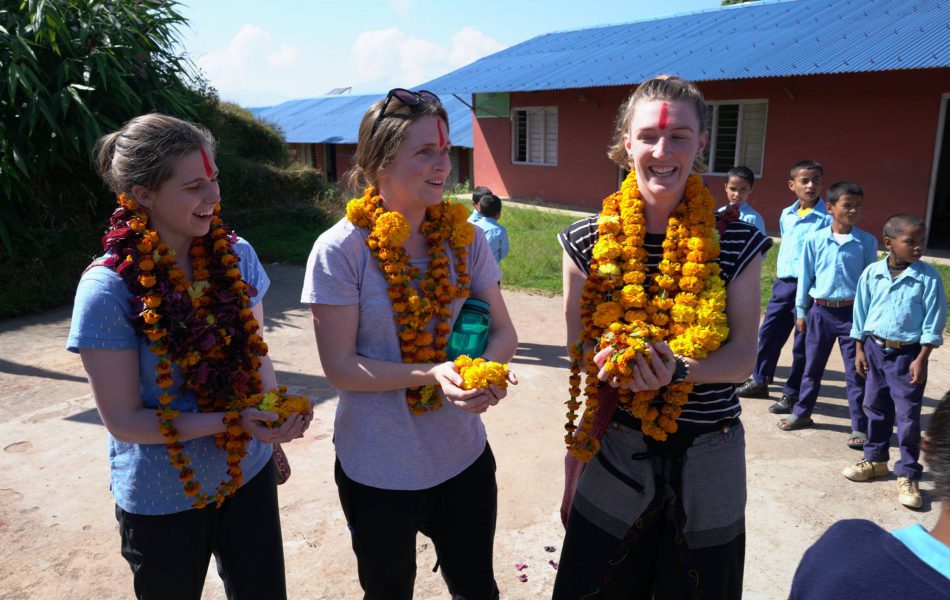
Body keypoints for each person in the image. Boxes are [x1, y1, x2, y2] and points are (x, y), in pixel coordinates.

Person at [66, 114, 312, 599]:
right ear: (144, 194)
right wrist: (235, 419)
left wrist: (274, 410)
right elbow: (125, 422)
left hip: (247, 473)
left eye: (214, 179)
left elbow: (256, 354)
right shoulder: (109, 289)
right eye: (194, 186)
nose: (214, 196)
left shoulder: (236, 256)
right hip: (163, 498)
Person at [554, 75, 771, 599]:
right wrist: (617, 362)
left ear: (701, 143)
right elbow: (580, 348)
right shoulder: (587, 239)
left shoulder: (737, 241)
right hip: (617, 449)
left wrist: (675, 369)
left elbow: (743, 358)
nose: (661, 150)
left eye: (679, 137)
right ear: (627, 142)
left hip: (710, 453)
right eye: (648, 135)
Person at [302, 88, 519, 599]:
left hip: (463, 458)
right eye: (424, 152)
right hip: (377, 469)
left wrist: (485, 374)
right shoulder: (341, 250)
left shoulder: (466, 239)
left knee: (477, 589)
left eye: (444, 150)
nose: (444, 164)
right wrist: (434, 374)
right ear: (379, 163)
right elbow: (340, 368)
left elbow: (503, 332)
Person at [789, 390, 950, 598]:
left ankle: (907, 471)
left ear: (927, 448)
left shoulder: (840, 550)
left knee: (906, 409)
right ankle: (875, 458)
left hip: (905, 365)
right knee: (874, 401)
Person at [843, 213, 947, 509]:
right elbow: (860, 313)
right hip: (874, 350)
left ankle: (908, 472)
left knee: (908, 416)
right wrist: (859, 349)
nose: (918, 247)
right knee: (874, 406)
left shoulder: (928, 278)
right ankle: (876, 460)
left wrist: (922, 358)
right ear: (889, 243)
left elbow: (934, 321)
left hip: (908, 355)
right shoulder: (872, 273)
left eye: (921, 241)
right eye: (910, 241)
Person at [777, 181, 878, 448]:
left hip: (852, 315)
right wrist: (801, 312)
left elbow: (870, 284)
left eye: (858, 206)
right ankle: (802, 412)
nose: (853, 210)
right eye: (847, 205)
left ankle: (859, 425)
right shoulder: (815, 240)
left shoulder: (866, 242)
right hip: (820, 312)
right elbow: (805, 278)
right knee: (811, 367)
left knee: (856, 372)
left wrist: (867, 320)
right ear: (830, 208)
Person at [737, 160, 832, 413]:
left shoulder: (827, 219)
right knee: (769, 333)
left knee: (802, 342)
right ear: (792, 185)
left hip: (809, 287)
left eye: (816, 180)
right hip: (783, 284)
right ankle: (760, 380)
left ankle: (792, 392)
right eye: (804, 181)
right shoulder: (786, 215)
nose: (810, 185)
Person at [717, 165, 766, 235]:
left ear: (751, 189)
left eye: (743, 189)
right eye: (733, 189)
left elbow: (760, 241)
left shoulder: (753, 218)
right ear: (726, 187)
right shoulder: (720, 212)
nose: (737, 194)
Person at [470, 192, 509, 264]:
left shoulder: (473, 226)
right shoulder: (500, 231)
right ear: (498, 213)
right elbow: (504, 251)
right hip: (490, 266)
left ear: (480, 211)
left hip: (472, 264)